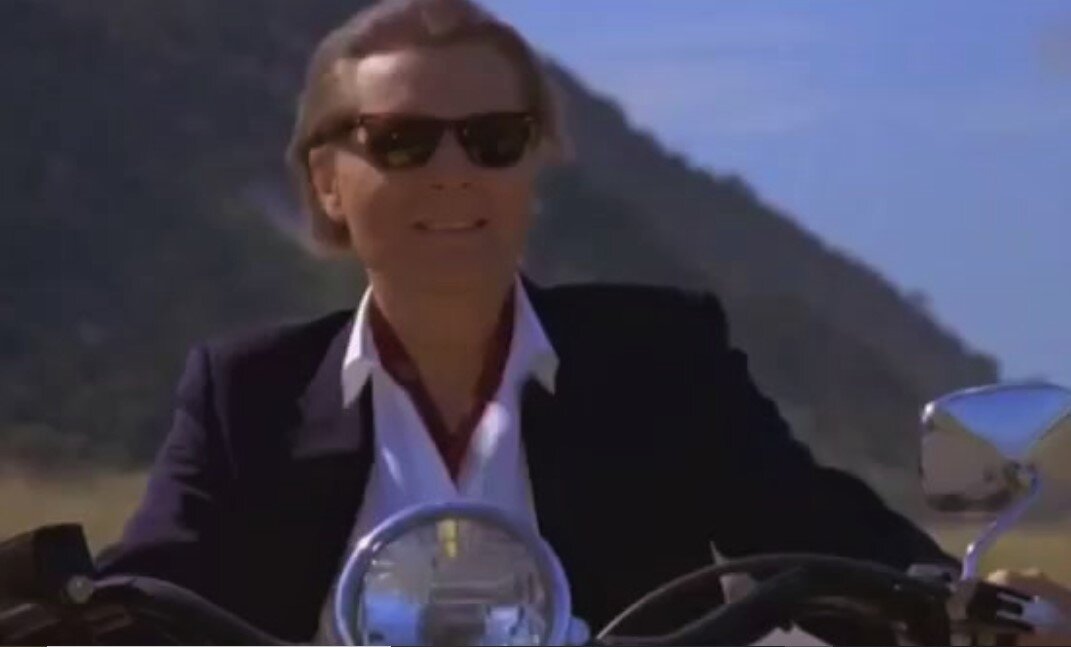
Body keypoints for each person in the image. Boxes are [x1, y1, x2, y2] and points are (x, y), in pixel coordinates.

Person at [95, 0, 1071, 643]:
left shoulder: (658, 357)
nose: (453, 171)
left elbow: (812, 525)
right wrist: (49, 606)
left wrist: (974, 605)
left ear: (533, 165)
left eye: (494, 138)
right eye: (400, 141)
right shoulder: (247, 393)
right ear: (326, 180)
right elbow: (136, 592)